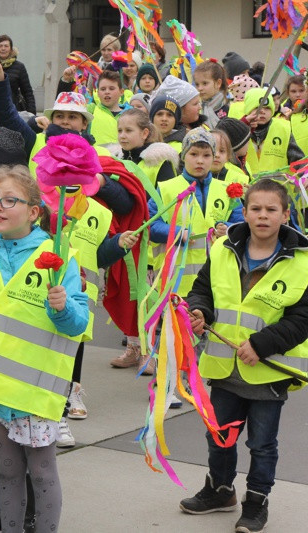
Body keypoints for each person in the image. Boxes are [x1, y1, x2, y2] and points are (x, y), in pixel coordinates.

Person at [181, 178, 308, 533]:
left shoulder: (302, 262)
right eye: (256, 208)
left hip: (268, 371)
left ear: (286, 214)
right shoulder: (223, 248)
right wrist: (200, 311)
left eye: (271, 209)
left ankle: (256, 501)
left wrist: (262, 344)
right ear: (245, 212)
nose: (263, 215)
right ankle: (220, 490)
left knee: (262, 444)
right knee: (219, 435)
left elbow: (302, 319)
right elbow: (202, 289)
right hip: (224, 367)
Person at [0, 165, 89, 533]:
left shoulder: (57, 256)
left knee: (41, 472)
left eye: (9, 200)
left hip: (36, 390)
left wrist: (62, 307)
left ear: (34, 211)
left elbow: (77, 324)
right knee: (7, 472)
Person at [148, 129, 244, 299]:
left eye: (206, 155)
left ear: (213, 157)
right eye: (193, 154)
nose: (200, 160)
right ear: (183, 156)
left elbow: (242, 227)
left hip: (216, 284)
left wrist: (228, 229)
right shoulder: (166, 189)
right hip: (176, 285)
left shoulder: (227, 191)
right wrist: (178, 233)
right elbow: (151, 225)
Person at [243, 88, 305, 177]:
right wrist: (242, 124)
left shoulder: (283, 128)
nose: (262, 111)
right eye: (257, 107)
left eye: (267, 108)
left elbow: (298, 160)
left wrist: (305, 175)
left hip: (275, 185)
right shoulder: (239, 130)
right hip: (246, 185)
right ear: (248, 109)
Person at [115, 108, 179, 187]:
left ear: (144, 133)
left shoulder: (160, 161)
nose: (122, 136)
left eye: (128, 130)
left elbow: (167, 193)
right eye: (120, 131)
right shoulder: (114, 160)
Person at [88, 70, 125, 145]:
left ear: (121, 92)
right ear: (98, 93)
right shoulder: (91, 110)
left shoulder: (131, 114)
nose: (107, 92)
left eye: (111, 88)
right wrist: (67, 82)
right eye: (103, 89)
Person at [194, 61, 229, 127]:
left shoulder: (229, 106)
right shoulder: (198, 107)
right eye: (197, 84)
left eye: (205, 83)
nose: (200, 88)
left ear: (218, 83)